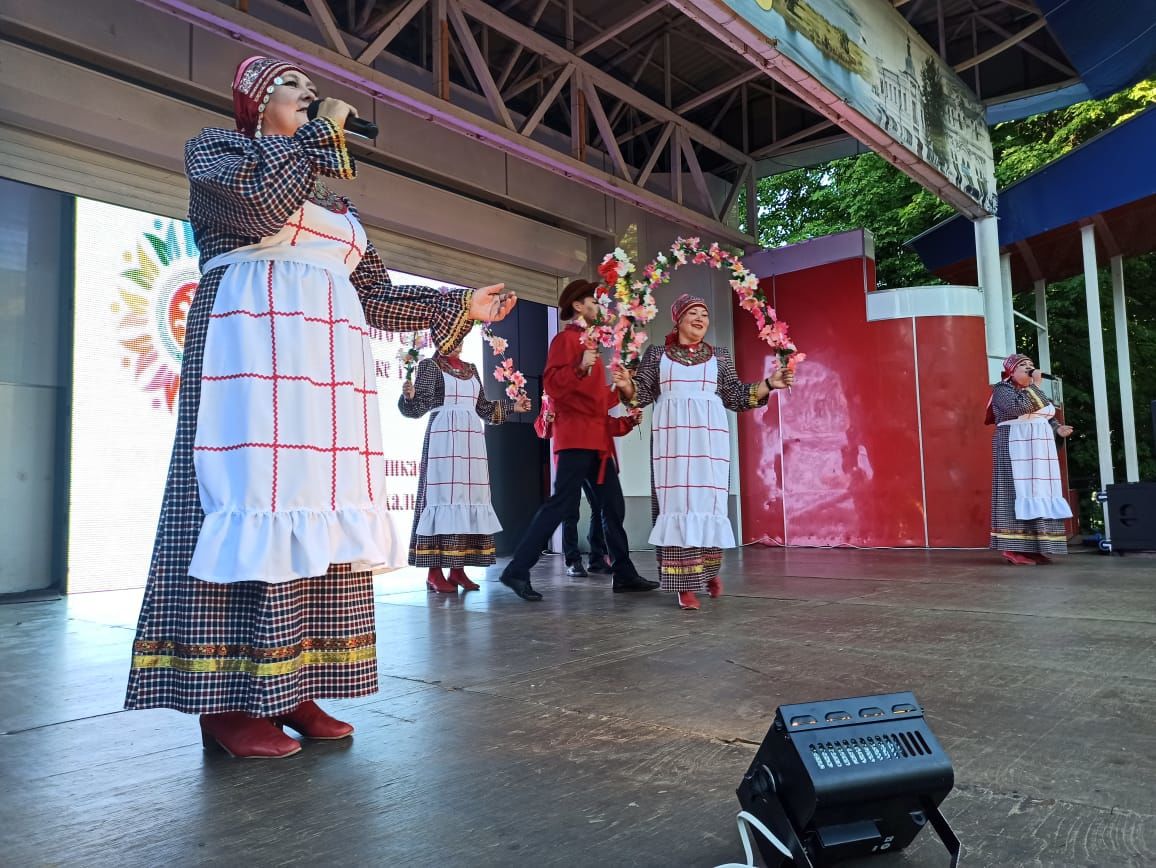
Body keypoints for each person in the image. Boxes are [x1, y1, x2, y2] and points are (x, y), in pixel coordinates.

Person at [124, 56, 515, 759]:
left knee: (318, 514)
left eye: (314, 96)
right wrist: (314, 138)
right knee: (244, 503)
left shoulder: (339, 213)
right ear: (252, 104)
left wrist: (459, 303)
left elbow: (378, 298)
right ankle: (224, 703)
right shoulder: (219, 155)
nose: (311, 100)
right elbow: (257, 209)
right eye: (294, 91)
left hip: (325, 380)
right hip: (248, 363)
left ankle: (291, 683)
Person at [614, 294, 793, 611]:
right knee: (678, 503)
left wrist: (770, 383)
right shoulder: (657, 354)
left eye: (705, 314)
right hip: (673, 443)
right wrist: (626, 383)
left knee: (708, 502)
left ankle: (708, 573)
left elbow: (737, 396)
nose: (700, 318)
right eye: (693, 313)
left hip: (710, 442)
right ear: (678, 319)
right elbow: (638, 395)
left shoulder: (719, 357)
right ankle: (684, 585)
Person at [499, 279, 657, 602]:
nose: (600, 307)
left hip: (596, 443)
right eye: (594, 302)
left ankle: (624, 573)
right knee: (560, 507)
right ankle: (517, 569)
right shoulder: (565, 342)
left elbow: (597, 402)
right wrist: (579, 367)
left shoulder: (592, 348)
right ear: (578, 306)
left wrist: (623, 400)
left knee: (613, 505)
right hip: (575, 441)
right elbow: (554, 388)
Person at [399, 347, 530, 592]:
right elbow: (417, 408)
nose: (457, 341)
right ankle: (434, 572)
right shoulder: (431, 366)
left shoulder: (471, 369)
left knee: (468, 498)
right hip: (443, 438)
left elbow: (484, 409)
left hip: (471, 440)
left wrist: (513, 407)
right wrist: (409, 396)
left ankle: (458, 570)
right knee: (442, 498)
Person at [985, 353, 1074, 564]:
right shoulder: (1002, 390)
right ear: (1011, 371)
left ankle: (1035, 547)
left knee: (1040, 492)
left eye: (1031, 365)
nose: (1029, 368)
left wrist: (1057, 428)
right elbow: (1019, 408)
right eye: (1023, 365)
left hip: (1039, 452)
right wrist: (1035, 384)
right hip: (1014, 448)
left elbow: (1043, 416)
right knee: (1015, 493)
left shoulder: (1035, 391)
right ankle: (1013, 548)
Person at [534, 393, 610, 577]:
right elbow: (543, 431)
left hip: (591, 456)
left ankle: (597, 558)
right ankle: (573, 560)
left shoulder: (587, 391)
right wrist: (547, 419)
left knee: (601, 506)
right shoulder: (552, 396)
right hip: (567, 459)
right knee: (571, 512)